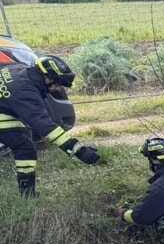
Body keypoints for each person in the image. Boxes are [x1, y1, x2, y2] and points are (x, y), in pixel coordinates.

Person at [0, 55, 99, 197]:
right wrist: (79, 151)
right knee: (24, 147)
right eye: (58, 84)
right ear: (47, 77)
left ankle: (27, 194)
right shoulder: (25, 90)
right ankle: (27, 195)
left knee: (23, 143)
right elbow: (44, 125)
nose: (58, 89)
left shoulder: (17, 69)